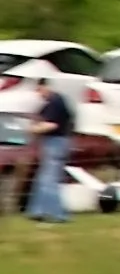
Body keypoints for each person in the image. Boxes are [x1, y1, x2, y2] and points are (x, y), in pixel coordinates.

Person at [26, 79, 74, 224]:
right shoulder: (51, 103)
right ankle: (37, 211)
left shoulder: (55, 102)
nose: (39, 94)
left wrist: (32, 129)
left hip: (56, 143)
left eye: (39, 90)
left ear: (46, 87)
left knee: (49, 180)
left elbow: (51, 125)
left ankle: (59, 214)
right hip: (52, 142)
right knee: (42, 179)